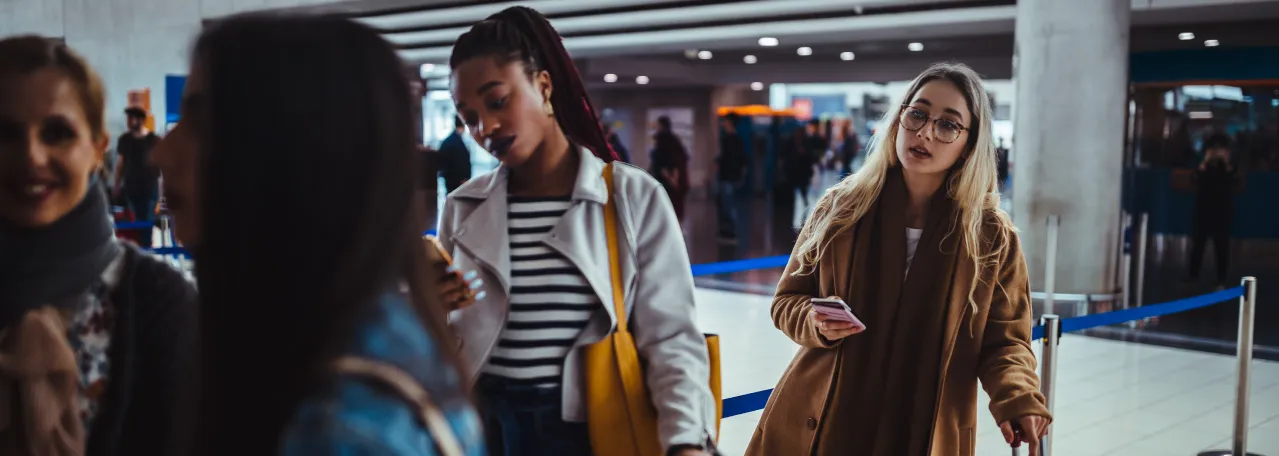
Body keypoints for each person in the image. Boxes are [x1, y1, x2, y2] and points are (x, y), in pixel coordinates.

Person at [149, 13, 485, 456]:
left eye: (203, 122)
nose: (161, 153)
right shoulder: (315, 344)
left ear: (295, 154)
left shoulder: (348, 425)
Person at [443, 6, 716, 456]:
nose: (485, 127)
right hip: (481, 430)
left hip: (585, 432)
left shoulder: (629, 196)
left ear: (543, 86)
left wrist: (685, 441)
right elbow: (447, 341)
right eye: (468, 116)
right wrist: (429, 305)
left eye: (497, 102)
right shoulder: (463, 206)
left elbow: (671, 339)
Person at [746, 63, 1051, 456]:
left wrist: (1018, 396)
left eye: (948, 124)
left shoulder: (990, 236)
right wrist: (815, 320)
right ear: (898, 119)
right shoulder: (842, 209)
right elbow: (787, 301)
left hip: (923, 426)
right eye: (918, 114)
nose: (925, 132)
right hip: (824, 420)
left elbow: (1006, 342)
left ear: (969, 144)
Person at [0, 35, 196, 456]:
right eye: (5, 134)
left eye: (57, 133)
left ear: (96, 148)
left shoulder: (157, 304)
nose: (31, 156)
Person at [1186, 132, 1238, 287]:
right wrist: (1204, 162)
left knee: (1221, 245)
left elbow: (1234, 180)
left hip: (1222, 210)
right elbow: (1194, 179)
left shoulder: (1230, 167)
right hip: (1203, 208)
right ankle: (1193, 275)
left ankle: (1221, 277)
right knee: (1198, 244)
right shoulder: (1204, 166)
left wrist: (1226, 163)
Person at [112, 106, 160, 223]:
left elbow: (161, 165)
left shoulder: (154, 140)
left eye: (131, 118)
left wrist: (163, 189)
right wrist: (116, 185)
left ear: (140, 120)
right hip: (131, 188)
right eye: (128, 118)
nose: (128, 122)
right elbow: (120, 164)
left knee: (147, 221)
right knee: (134, 221)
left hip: (149, 188)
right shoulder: (124, 139)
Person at [650, 115, 690, 221]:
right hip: (668, 178)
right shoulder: (673, 140)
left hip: (667, 179)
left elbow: (668, 161)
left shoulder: (664, 140)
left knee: (667, 206)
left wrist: (671, 177)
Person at [716, 113, 747, 242]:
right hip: (730, 176)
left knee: (728, 205)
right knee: (726, 203)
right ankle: (727, 231)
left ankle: (730, 232)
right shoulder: (735, 140)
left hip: (728, 176)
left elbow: (739, 160)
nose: (723, 124)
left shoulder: (730, 140)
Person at [439, 116, 472, 195]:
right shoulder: (458, 143)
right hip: (457, 181)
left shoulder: (447, 141)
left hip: (449, 179)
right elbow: (461, 162)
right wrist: (464, 178)